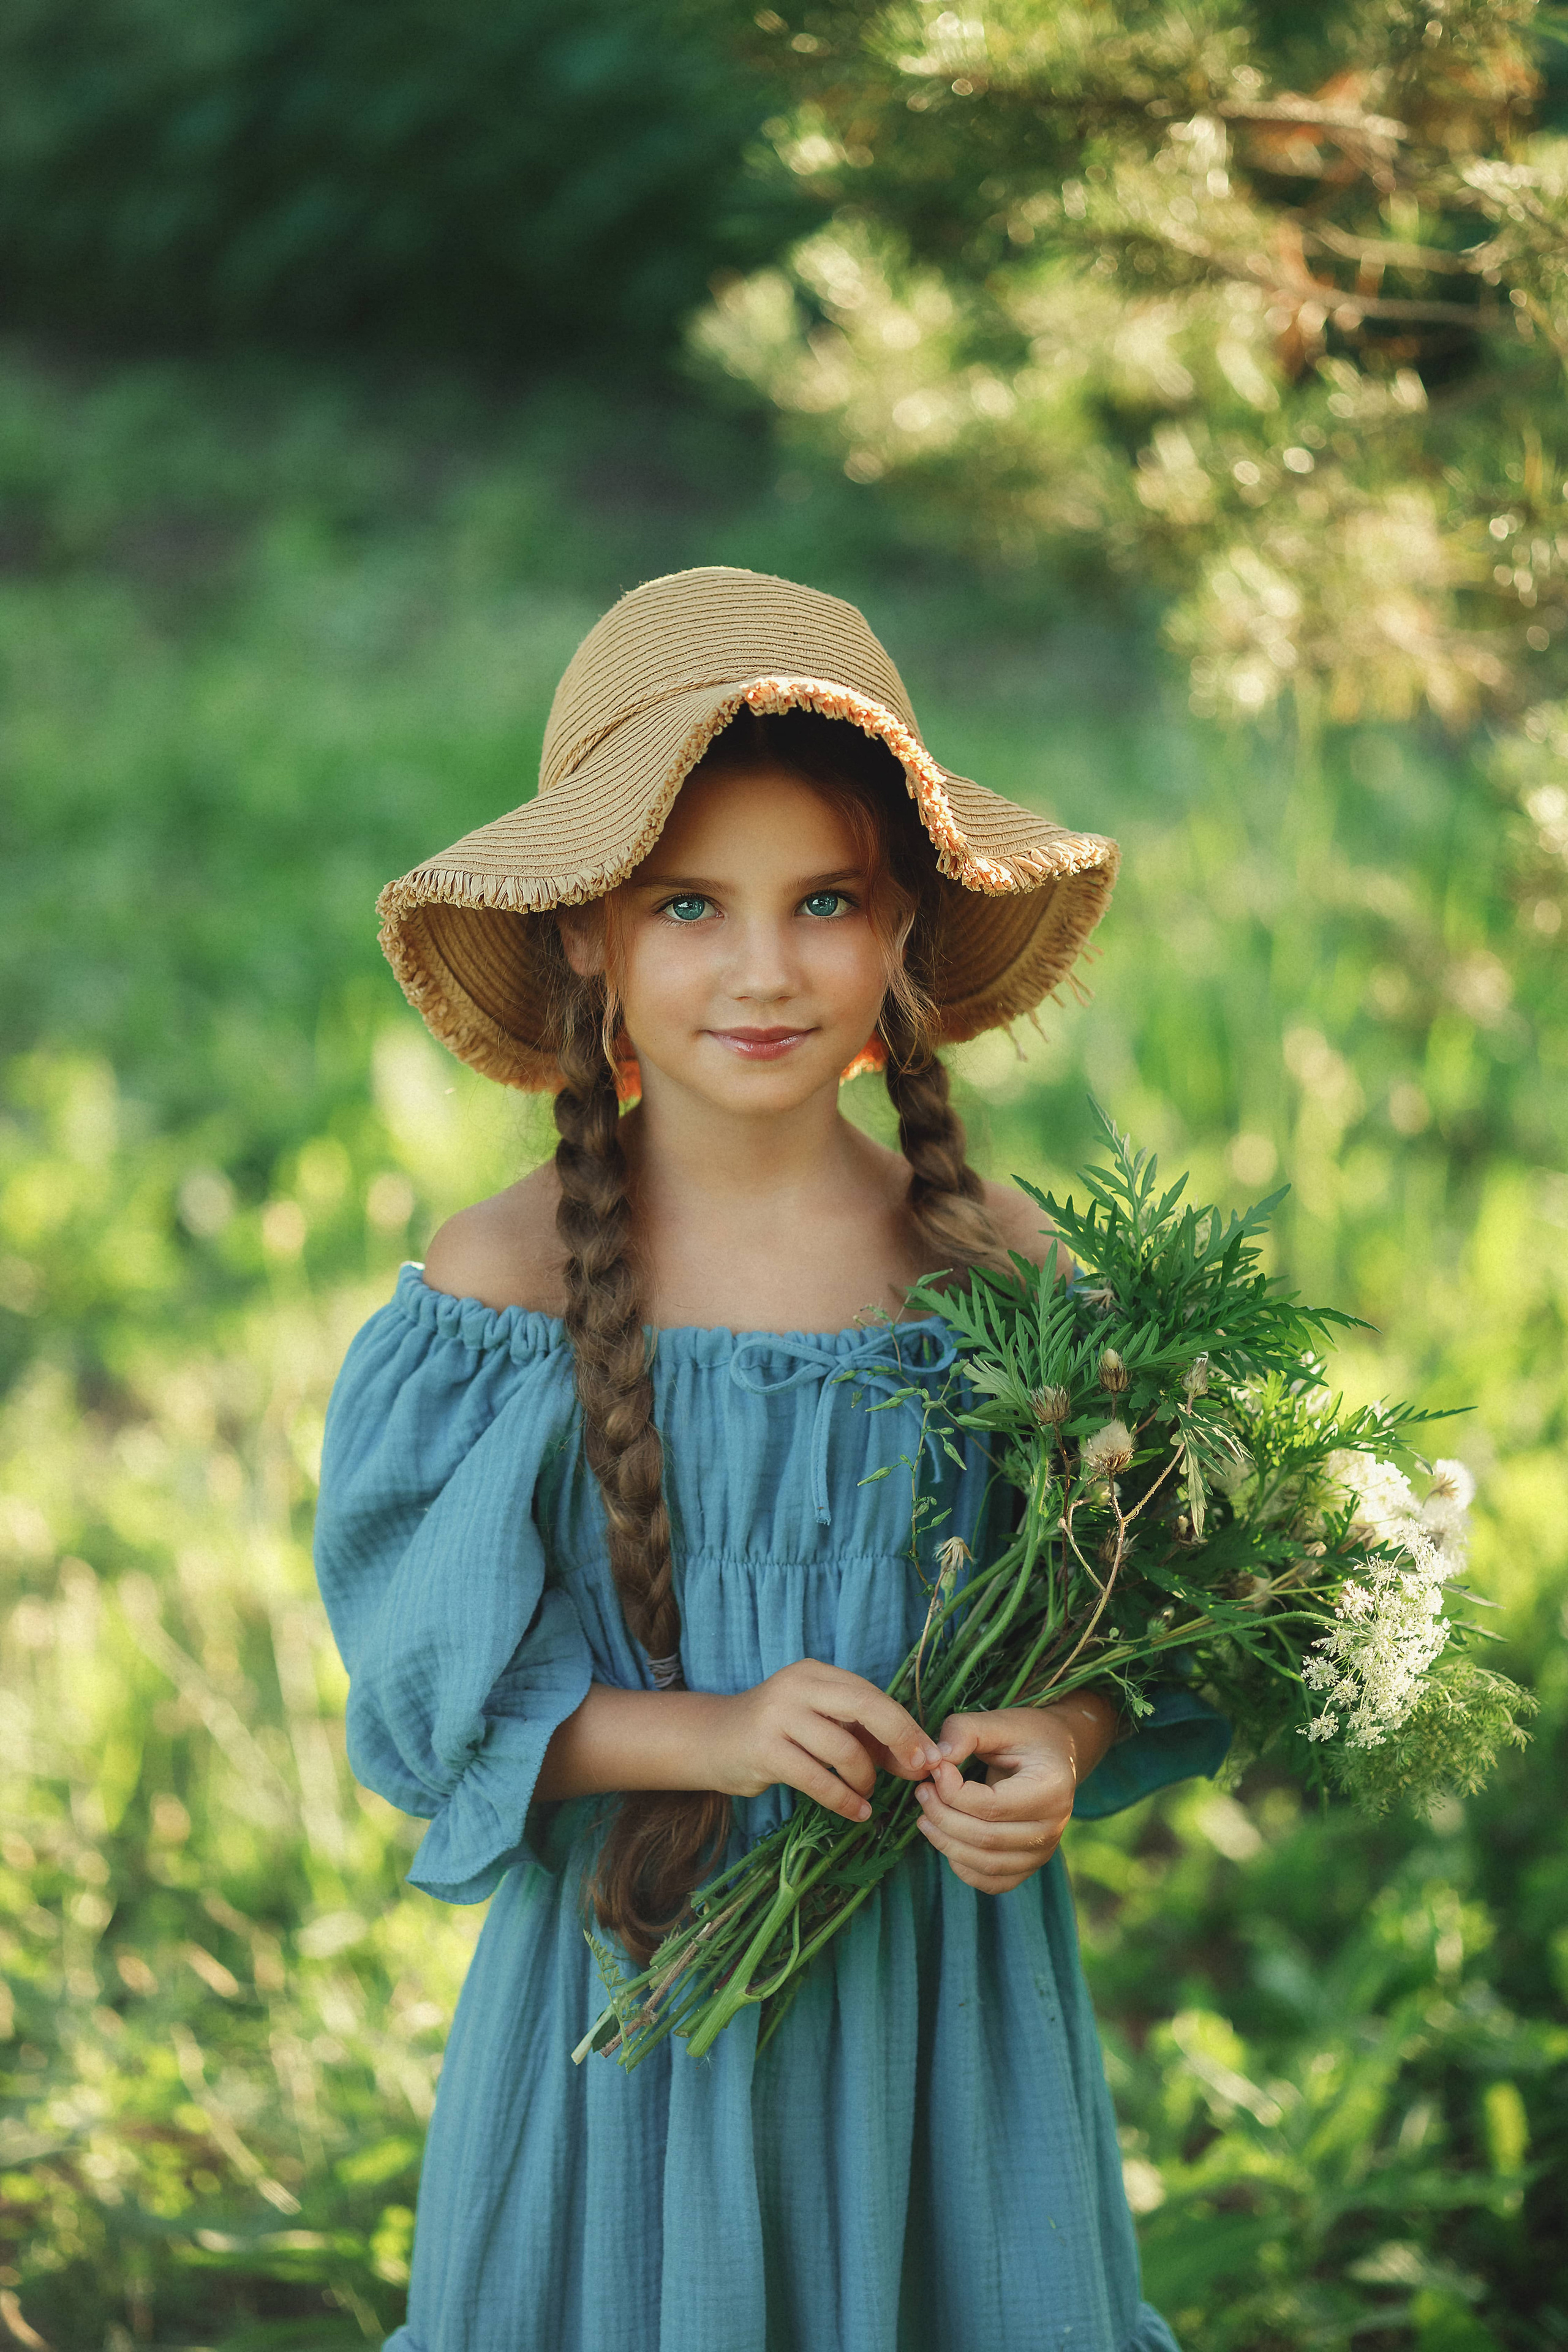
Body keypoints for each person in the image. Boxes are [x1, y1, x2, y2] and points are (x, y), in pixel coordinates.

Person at [314, 567, 1229, 2352]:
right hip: (634, 1995)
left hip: (939, 2012)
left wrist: (1063, 1738)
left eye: (826, 900)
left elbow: (1154, 1602)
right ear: (589, 935)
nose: (762, 969)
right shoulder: (502, 1286)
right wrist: (714, 1735)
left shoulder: (1009, 1277)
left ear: (903, 929)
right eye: (688, 905)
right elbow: (433, 1702)